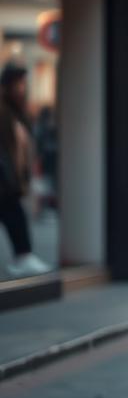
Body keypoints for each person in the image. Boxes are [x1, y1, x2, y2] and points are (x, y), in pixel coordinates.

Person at [0, 62, 49, 276]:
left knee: (14, 215)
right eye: (19, 83)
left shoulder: (16, 112)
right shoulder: (3, 111)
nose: (23, 88)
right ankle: (24, 256)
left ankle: (23, 257)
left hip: (11, 176)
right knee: (14, 215)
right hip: (4, 176)